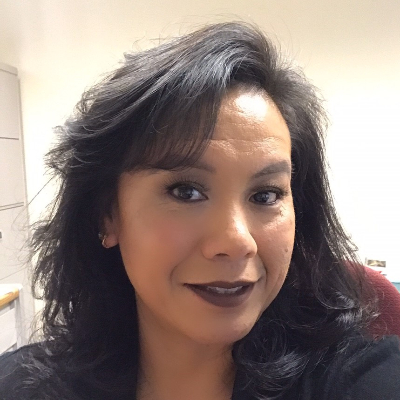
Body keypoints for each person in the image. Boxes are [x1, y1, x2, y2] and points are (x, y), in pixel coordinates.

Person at [0, 22, 399, 400]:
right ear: (108, 213)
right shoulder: (20, 386)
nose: (237, 242)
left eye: (266, 195)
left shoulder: (363, 381)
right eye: (186, 191)